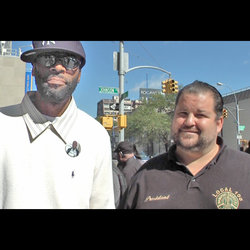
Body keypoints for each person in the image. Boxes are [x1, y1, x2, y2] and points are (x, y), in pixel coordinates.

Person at [0, 41, 114, 209]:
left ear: (80, 74)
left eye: (69, 61)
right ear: (34, 68)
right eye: (48, 58)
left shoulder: (96, 135)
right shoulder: (3, 124)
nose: (58, 67)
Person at [119, 80, 250, 209]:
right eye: (183, 114)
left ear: (219, 124)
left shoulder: (245, 169)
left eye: (200, 115)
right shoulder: (145, 176)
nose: (189, 122)